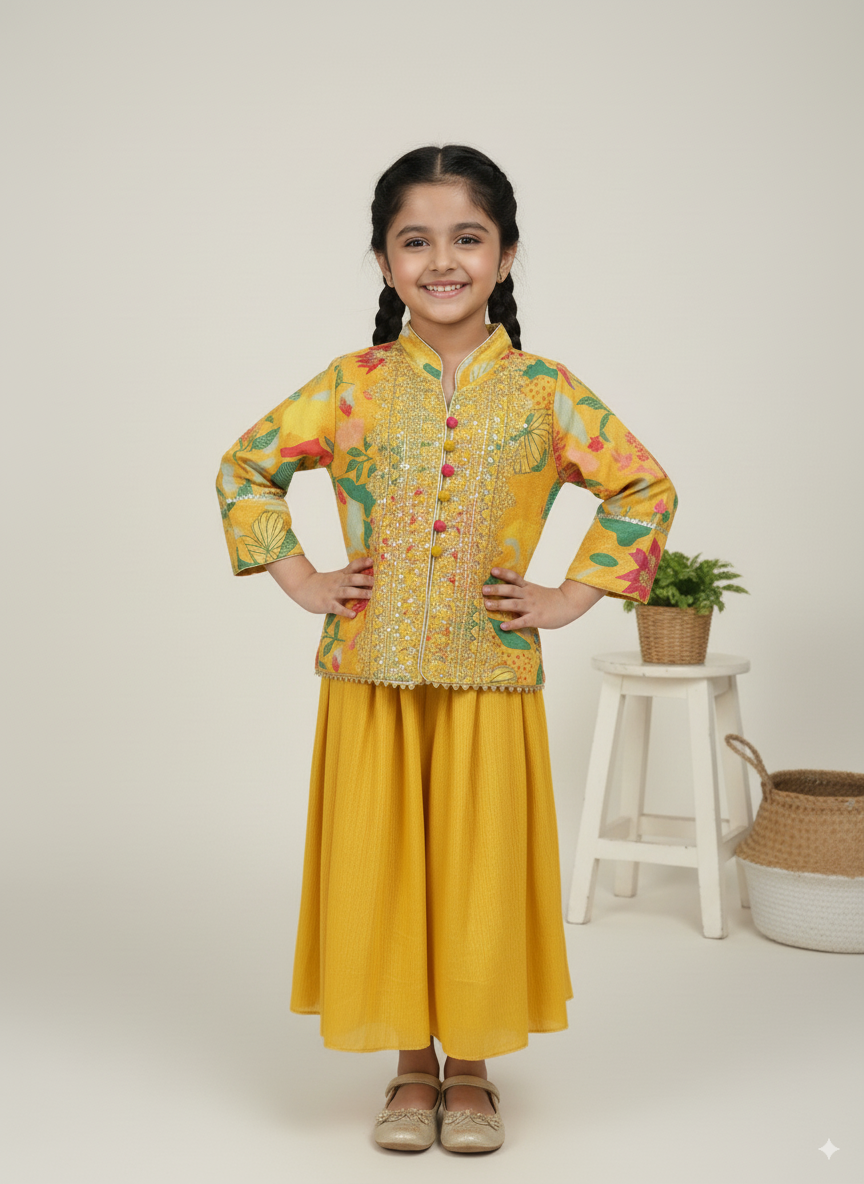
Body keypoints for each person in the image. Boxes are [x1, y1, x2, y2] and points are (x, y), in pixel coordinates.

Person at [215, 144, 676, 1154]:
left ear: (505, 255)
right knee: (382, 868)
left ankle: (470, 1068)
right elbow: (245, 468)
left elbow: (643, 486)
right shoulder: (351, 386)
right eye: (414, 241)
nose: (442, 261)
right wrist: (303, 578)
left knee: (478, 874)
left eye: (467, 237)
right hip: (369, 676)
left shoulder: (547, 390)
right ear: (385, 262)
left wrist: (569, 596)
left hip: (489, 678)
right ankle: (410, 1065)